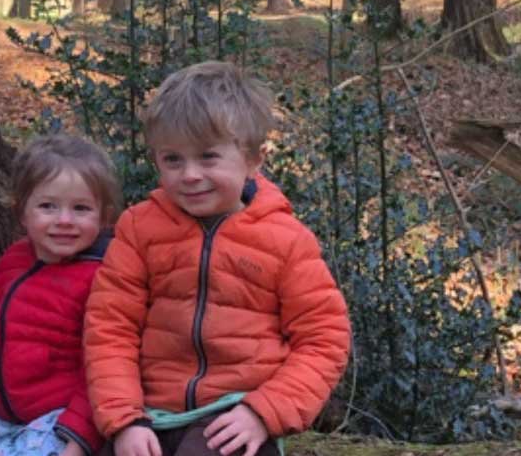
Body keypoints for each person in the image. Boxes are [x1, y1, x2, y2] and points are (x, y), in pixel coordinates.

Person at [84, 61, 351, 456]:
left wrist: (265, 411)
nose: (189, 174)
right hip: (151, 413)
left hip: (234, 413)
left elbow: (324, 338)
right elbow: (110, 327)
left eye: (208, 157)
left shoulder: (286, 240)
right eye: (172, 159)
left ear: (254, 160)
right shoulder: (139, 229)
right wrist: (123, 418)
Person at [0, 134, 122, 456]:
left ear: (104, 216)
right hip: (1, 415)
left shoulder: (102, 277)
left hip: (60, 417)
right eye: (48, 206)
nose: (64, 220)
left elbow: (102, 368)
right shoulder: (13, 262)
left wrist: (79, 438)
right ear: (22, 211)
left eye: (81, 208)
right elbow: (1, 333)